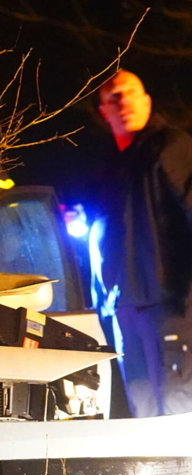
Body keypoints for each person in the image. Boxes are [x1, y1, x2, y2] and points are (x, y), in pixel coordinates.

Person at [95, 70, 192, 416]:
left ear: (147, 101)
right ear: (103, 111)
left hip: (171, 307)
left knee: (178, 406)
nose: (123, 103)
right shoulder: (116, 166)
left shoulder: (171, 147)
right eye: (113, 97)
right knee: (144, 410)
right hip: (126, 310)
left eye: (130, 93)